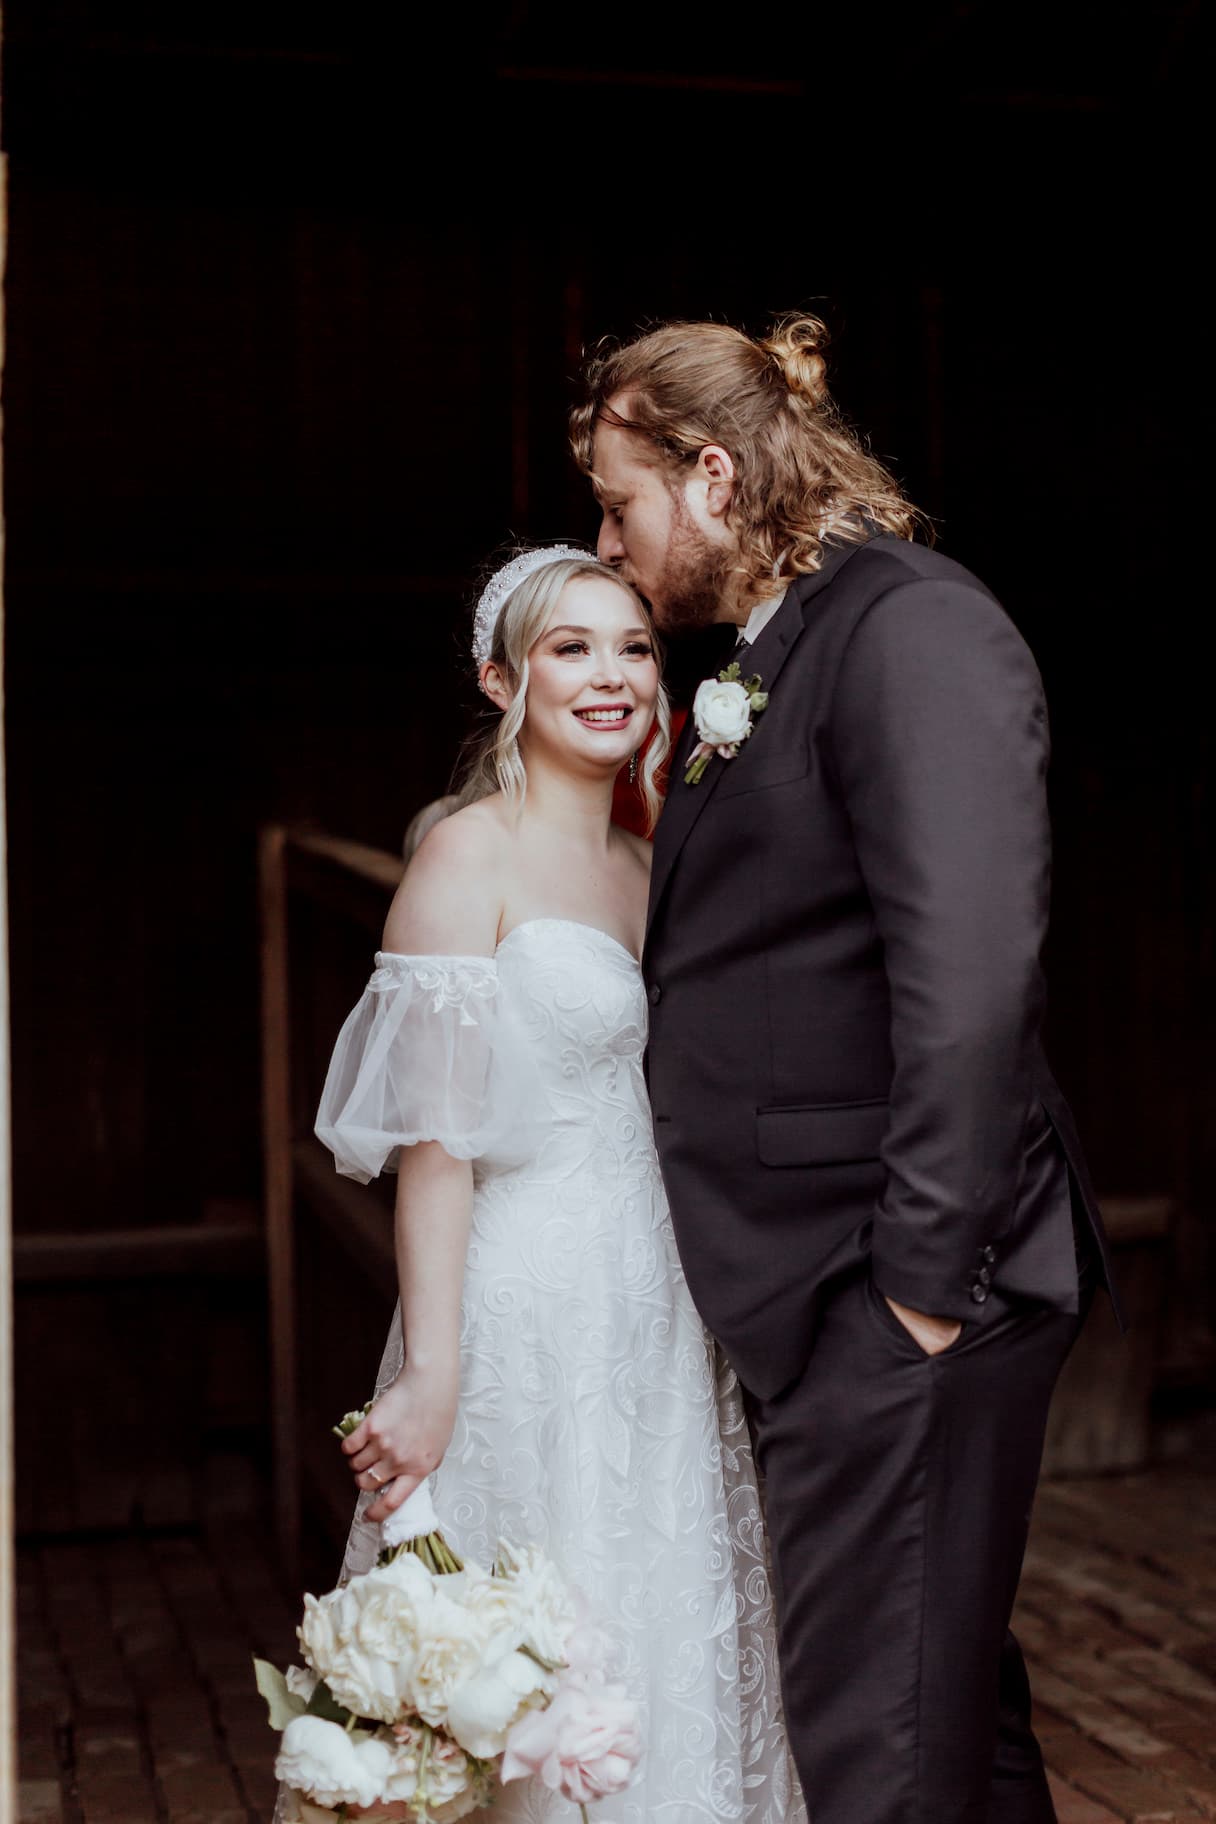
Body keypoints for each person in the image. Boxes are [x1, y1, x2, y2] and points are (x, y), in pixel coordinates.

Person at [571, 315, 1124, 1824]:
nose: (607, 545)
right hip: (828, 1288)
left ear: (715, 473)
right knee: (940, 1724)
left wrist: (920, 1292)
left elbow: (973, 969)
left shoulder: (911, 628)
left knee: (879, 1758)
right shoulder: (780, 648)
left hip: (902, 1287)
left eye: (621, 506)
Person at [313, 546, 805, 1821]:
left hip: (658, 1303)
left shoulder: (653, 868)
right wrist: (431, 1372)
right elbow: (435, 1148)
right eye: (569, 648)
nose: (612, 675)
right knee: (531, 1648)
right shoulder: (466, 859)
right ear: (500, 682)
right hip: (524, 1300)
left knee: (662, 1613)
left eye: (634, 647)